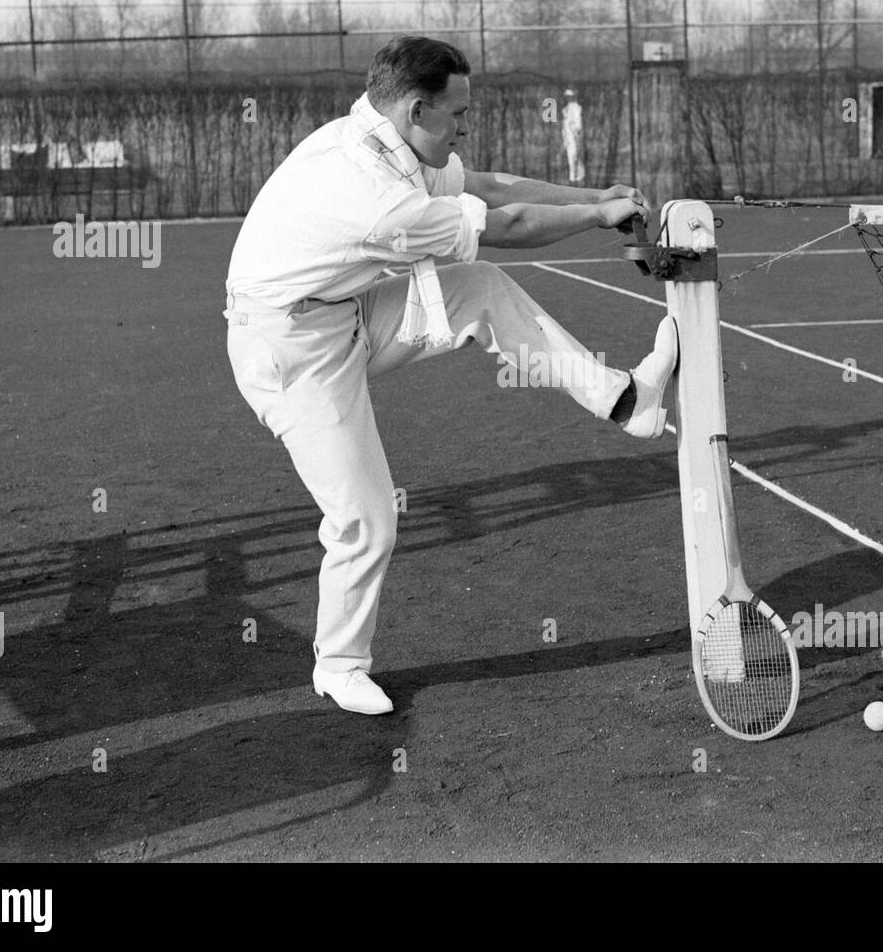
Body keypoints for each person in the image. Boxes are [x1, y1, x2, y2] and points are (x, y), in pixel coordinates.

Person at [224, 36, 677, 716]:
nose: (465, 127)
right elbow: (509, 221)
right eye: (457, 115)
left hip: (341, 313)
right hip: (289, 353)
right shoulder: (378, 196)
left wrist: (599, 193)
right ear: (414, 110)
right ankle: (339, 665)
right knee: (366, 518)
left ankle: (626, 401)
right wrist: (595, 216)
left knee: (482, 289)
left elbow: (488, 185)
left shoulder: (380, 139)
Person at [562, 88, 585, 184]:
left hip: (574, 136)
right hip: (568, 136)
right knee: (571, 157)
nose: (569, 98)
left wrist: (576, 134)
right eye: (567, 97)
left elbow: (578, 124)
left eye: (570, 97)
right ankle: (573, 177)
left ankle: (577, 177)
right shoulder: (566, 109)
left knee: (575, 156)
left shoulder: (576, 108)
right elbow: (565, 124)